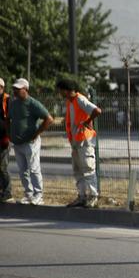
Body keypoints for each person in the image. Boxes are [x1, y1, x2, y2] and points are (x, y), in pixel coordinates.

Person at [56, 79, 102, 208]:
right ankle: (82, 197)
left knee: (88, 169)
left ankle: (93, 197)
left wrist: (88, 121)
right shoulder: (70, 102)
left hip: (84, 141)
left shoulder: (80, 99)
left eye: (60, 90)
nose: (59, 93)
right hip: (76, 141)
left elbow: (97, 110)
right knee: (78, 171)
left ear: (66, 90)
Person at [8, 78, 53, 205]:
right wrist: (9, 133)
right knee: (23, 170)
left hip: (30, 143)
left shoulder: (33, 103)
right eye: (14, 89)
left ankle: (38, 195)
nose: (15, 91)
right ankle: (28, 194)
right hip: (17, 143)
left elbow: (49, 119)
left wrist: (36, 134)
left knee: (33, 169)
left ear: (26, 89)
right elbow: (8, 119)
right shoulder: (13, 103)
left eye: (18, 89)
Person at [0, 78, 12, 202]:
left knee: (3, 167)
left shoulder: (8, 100)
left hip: (4, 138)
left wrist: (8, 136)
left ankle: (7, 192)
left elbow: (10, 119)